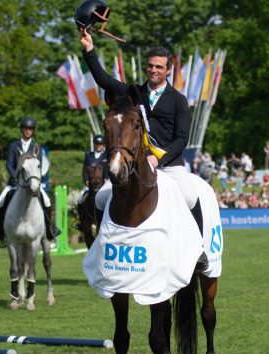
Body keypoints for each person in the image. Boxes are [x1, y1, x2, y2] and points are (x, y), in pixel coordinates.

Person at [79, 29, 202, 220]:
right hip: (136, 163)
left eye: (159, 67)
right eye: (151, 66)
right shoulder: (133, 92)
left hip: (169, 164)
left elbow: (182, 139)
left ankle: (199, 246)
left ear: (168, 70)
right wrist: (89, 50)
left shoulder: (179, 100)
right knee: (100, 199)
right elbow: (104, 80)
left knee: (190, 197)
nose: (154, 70)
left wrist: (158, 160)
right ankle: (100, 241)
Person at [0, 117, 61, 241]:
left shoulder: (36, 147)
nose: (28, 131)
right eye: (26, 129)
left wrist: (35, 181)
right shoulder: (13, 146)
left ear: (32, 131)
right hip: (15, 182)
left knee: (47, 201)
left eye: (30, 129)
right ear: (22, 130)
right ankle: (1, 230)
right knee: (0, 201)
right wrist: (14, 176)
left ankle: (49, 229)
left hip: (32, 183)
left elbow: (39, 165)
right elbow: (9, 163)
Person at [78, 134, 109, 204]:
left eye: (100, 144)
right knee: (80, 199)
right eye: (97, 144)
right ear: (94, 144)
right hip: (90, 185)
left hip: (104, 184)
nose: (98, 146)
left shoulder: (106, 156)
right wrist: (86, 180)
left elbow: (108, 170)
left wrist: (107, 179)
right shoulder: (88, 156)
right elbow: (84, 170)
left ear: (103, 145)